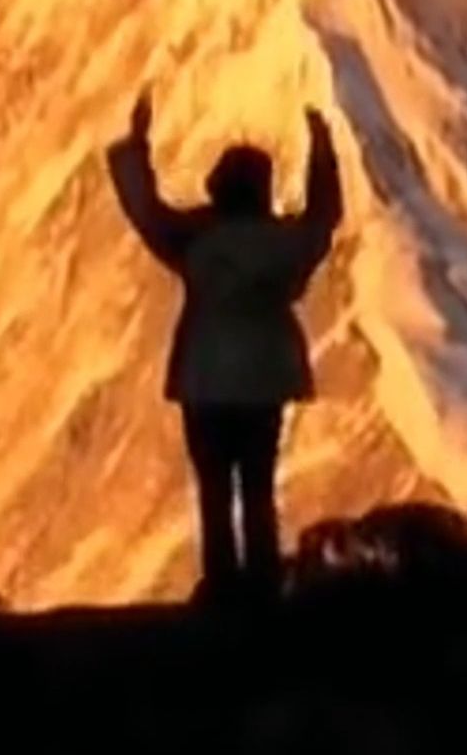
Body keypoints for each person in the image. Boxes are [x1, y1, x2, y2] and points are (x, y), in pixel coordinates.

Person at [106, 90, 345, 604]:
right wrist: (321, 149)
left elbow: (146, 211)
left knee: (213, 486)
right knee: (258, 484)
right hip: (265, 376)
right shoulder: (285, 245)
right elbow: (324, 218)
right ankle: (262, 581)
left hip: (206, 377)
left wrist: (138, 146)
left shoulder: (193, 240)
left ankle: (222, 583)